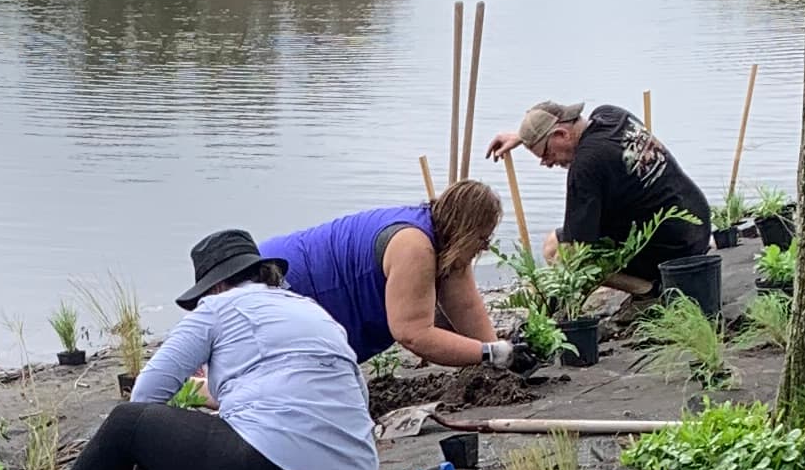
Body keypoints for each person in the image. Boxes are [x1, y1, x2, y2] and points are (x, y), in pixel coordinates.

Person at [29, 230, 380, 470]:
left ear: (214, 286)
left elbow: (147, 392)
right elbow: (354, 394)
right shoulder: (309, 310)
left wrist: (142, 452)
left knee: (127, 423)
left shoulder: (217, 308)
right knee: (220, 426)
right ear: (261, 273)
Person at [260, 178, 517, 373]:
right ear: (464, 232)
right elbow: (414, 334)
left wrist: (500, 355)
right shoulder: (414, 247)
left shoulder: (444, 243)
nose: (485, 247)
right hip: (278, 281)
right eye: (482, 239)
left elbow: (467, 306)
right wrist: (489, 354)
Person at [483, 100, 713, 281]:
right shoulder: (612, 115)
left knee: (555, 249)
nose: (547, 163)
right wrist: (525, 138)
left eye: (546, 154)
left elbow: (578, 246)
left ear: (561, 135)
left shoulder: (586, 165)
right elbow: (556, 128)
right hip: (696, 225)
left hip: (672, 254)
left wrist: (546, 291)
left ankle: (648, 289)